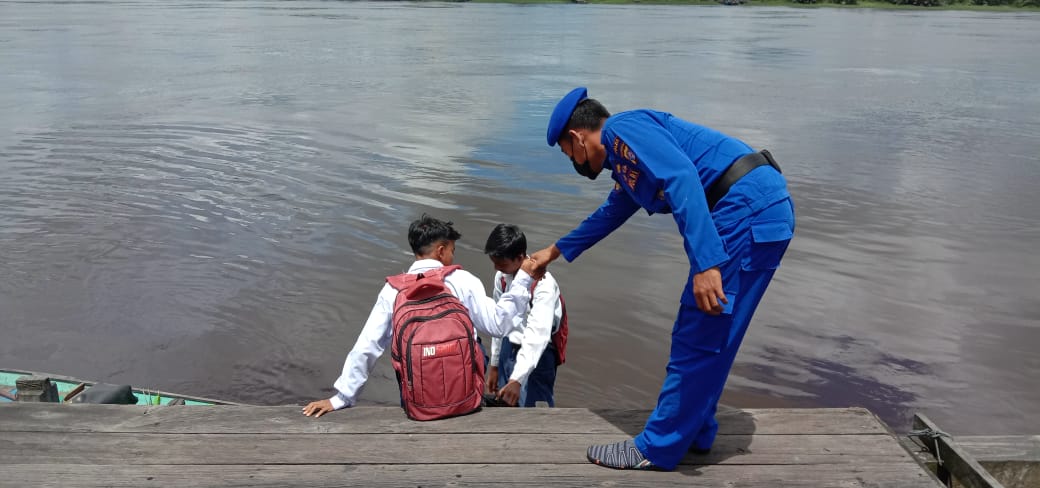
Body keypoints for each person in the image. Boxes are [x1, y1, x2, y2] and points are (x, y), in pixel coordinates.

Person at [528, 87, 795, 470]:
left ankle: (656, 448)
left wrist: (706, 264)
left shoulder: (622, 130)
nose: (574, 162)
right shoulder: (625, 159)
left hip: (744, 208)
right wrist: (553, 252)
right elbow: (611, 212)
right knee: (716, 331)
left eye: (569, 154)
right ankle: (697, 431)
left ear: (576, 138)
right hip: (762, 209)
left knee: (698, 329)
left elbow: (681, 176)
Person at [302, 214, 539, 418]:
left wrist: (341, 397)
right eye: (452, 252)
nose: (452, 258)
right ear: (441, 250)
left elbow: (368, 345)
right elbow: (499, 324)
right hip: (465, 399)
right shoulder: (463, 281)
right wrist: (523, 279)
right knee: (476, 344)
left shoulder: (393, 290)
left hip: (418, 402)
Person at [484, 224, 564, 408]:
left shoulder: (543, 285)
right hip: (508, 344)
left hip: (539, 352)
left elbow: (537, 335)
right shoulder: (502, 277)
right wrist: (495, 364)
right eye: (494, 262)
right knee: (504, 402)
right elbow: (499, 320)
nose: (497, 268)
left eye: (501, 263)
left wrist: (517, 379)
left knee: (534, 410)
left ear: (520, 257)